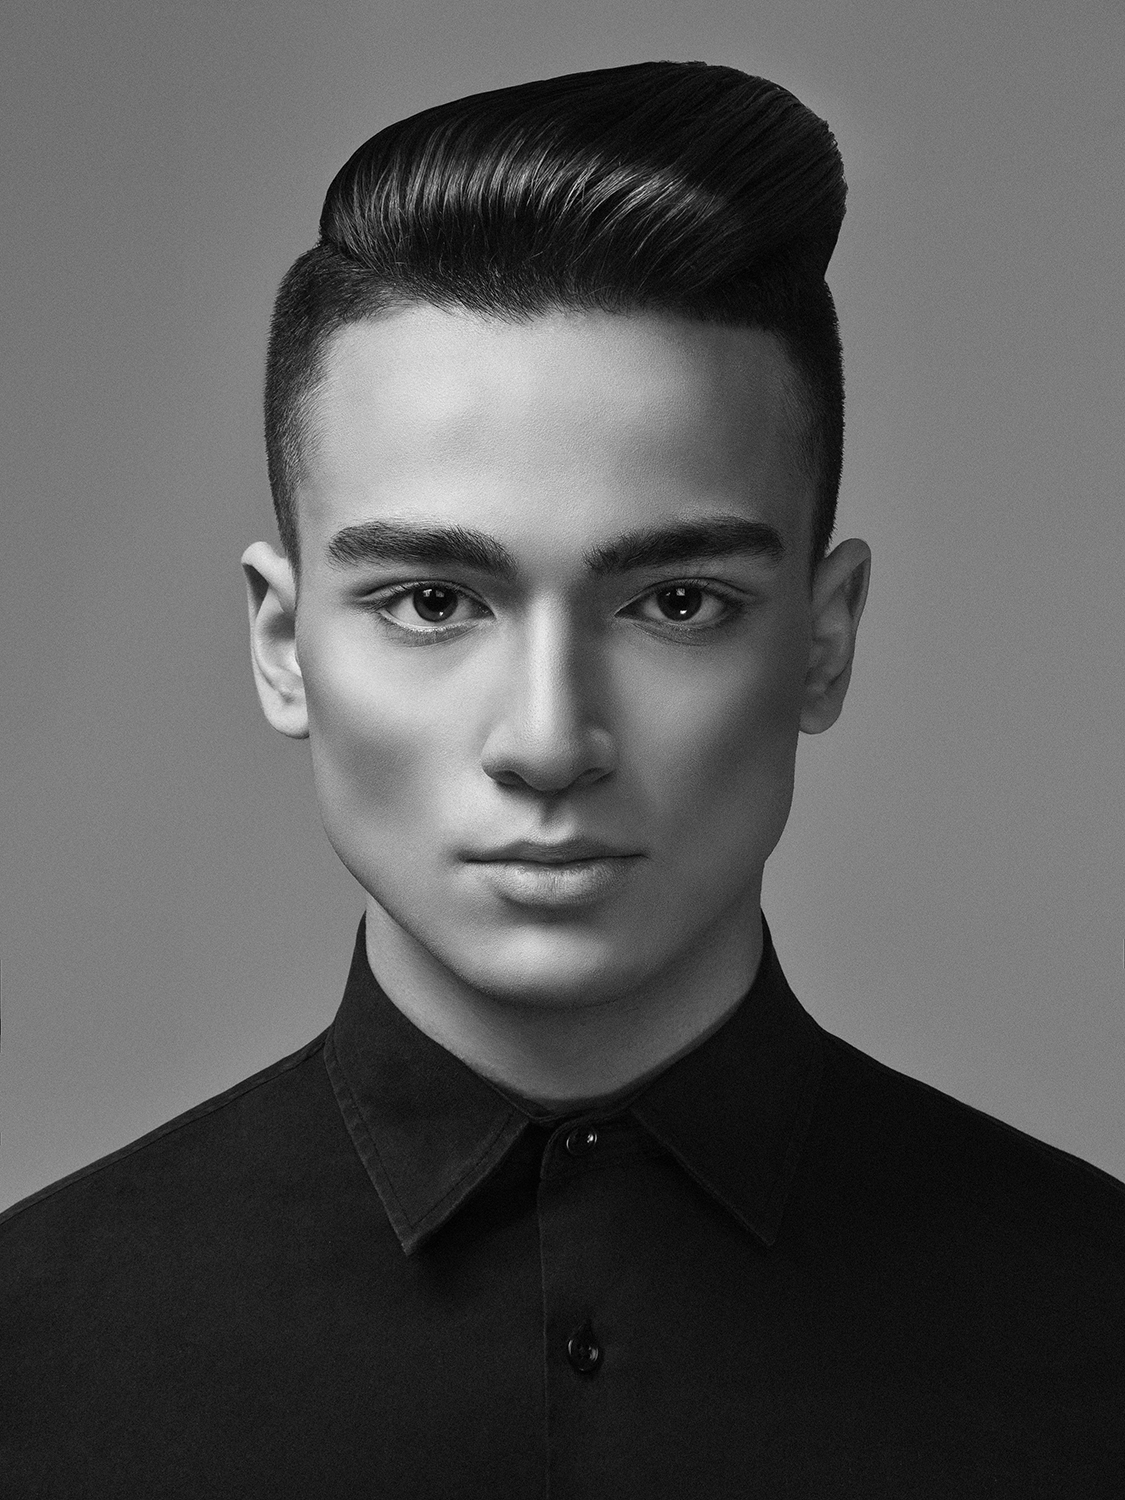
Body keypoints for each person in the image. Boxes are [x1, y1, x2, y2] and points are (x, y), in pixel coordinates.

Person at [1, 60, 1122, 1498]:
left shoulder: (1097, 1332)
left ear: (824, 640)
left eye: (675, 604)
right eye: (432, 602)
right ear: (284, 646)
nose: (546, 740)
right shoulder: (34, 1357)